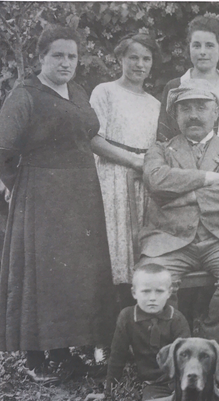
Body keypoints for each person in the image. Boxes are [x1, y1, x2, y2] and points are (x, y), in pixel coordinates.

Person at [0, 26, 115, 381]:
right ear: (41, 58)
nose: (66, 63)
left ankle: (64, 352)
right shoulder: (25, 95)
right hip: (42, 196)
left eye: (72, 56)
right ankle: (35, 359)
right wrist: (16, 185)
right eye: (58, 56)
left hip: (81, 193)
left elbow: (90, 138)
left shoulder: (78, 92)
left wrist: (134, 160)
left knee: (73, 275)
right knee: (41, 274)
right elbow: (3, 149)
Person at [139, 79, 219, 347]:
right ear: (175, 115)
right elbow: (157, 180)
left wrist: (188, 195)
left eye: (201, 107)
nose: (194, 115)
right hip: (169, 238)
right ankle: (172, 346)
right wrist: (207, 178)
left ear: (215, 112)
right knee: (153, 279)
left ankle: (208, 342)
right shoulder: (160, 150)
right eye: (185, 109)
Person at [94, 264, 219, 401]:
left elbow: (189, 354)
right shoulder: (126, 317)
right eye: (146, 291)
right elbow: (117, 355)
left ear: (169, 292)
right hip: (154, 383)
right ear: (134, 293)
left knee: (202, 398)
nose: (152, 298)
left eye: (159, 291)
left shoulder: (176, 318)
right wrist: (108, 391)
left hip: (182, 377)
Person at [90, 33, 162, 307]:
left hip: (142, 183)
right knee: (111, 252)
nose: (139, 64)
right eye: (133, 57)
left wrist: (145, 167)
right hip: (112, 179)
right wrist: (132, 160)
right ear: (120, 58)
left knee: (138, 253)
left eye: (146, 58)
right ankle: (104, 338)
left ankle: (137, 327)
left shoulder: (155, 104)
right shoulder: (105, 92)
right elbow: (94, 139)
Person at [156, 16, 219, 150]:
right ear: (189, 48)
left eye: (209, 45)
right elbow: (163, 141)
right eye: (196, 45)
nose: (202, 52)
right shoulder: (174, 87)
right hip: (181, 167)